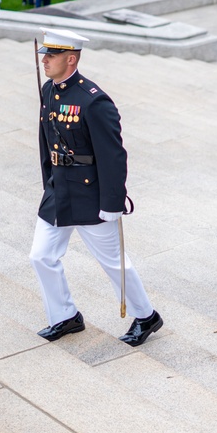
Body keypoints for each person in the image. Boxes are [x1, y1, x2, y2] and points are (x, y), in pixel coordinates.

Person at [30, 27, 163, 346]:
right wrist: (48, 180)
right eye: (45, 54)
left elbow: (113, 156)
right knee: (40, 256)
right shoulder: (49, 90)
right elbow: (45, 142)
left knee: (114, 262)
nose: (45, 61)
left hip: (90, 196)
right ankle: (65, 317)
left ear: (71, 59)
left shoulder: (94, 101)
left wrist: (112, 203)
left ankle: (146, 316)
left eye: (52, 55)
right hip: (58, 192)